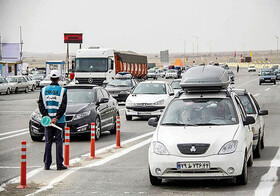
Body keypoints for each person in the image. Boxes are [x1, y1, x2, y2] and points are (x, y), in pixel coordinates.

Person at [38, 70, 68, 170]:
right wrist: (56, 118)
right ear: (58, 79)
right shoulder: (63, 90)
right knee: (59, 141)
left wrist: (47, 117)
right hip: (59, 121)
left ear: (50, 78)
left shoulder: (43, 90)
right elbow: (63, 106)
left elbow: (41, 105)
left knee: (48, 142)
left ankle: (47, 164)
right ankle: (59, 164)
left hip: (47, 121)